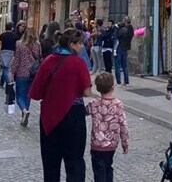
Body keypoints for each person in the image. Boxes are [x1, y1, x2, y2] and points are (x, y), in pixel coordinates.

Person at [30, 28, 92, 182]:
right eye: (80, 44)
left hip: (49, 118)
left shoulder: (48, 61)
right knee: (75, 161)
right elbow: (87, 92)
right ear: (72, 44)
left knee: (51, 164)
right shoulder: (78, 63)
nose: (82, 47)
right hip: (73, 116)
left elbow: (36, 94)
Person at [86, 71, 129, 182]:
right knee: (108, 167)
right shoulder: (118, 104)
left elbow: (83, 112)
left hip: (97, 144)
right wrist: (125, 143)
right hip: (111, 144)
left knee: (99, 170)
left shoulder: (94, 103)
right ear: (113, 86)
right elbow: (123, 125)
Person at [10, 26, 42, 127]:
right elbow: (39, 58)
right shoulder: (37, 45)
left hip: (21, 73)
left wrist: (12, 72)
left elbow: (17, 60)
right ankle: (25, 113)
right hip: (33, 74)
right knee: (28, 95)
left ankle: (24, 111)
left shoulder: (19, 44)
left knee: (19, 96)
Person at [0, 22, 17, 87]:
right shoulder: (15, 36)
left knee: (5, 68)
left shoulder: (2, 35)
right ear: (12, 27)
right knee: (7, 68)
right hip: (12, 52)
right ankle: (2, 82)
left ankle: (8, 82)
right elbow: (16, 45)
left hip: (4, 52)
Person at [115, 18, 134, 86]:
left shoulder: (123, 30)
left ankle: (118, 82)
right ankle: (126, 81)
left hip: (120, 47)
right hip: (126, 48)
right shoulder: (131, 29)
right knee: (124, 66)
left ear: (126, 22)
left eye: (124, 21)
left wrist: (117, 27)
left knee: (117, 65)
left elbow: (117, 36)